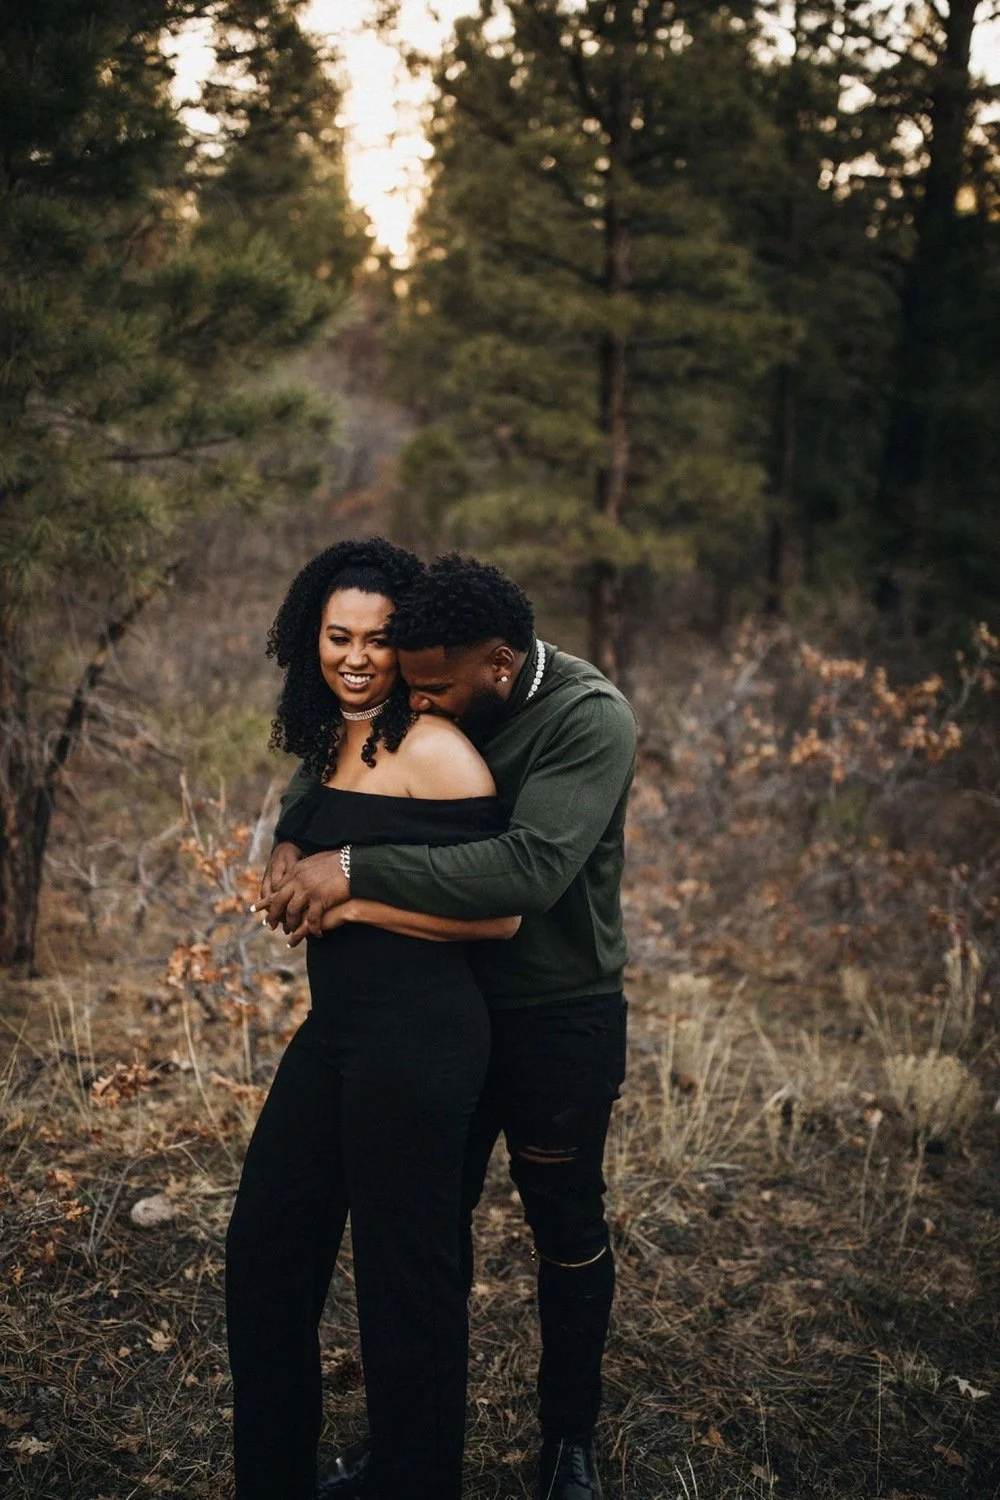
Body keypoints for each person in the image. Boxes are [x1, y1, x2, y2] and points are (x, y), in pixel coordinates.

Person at [260, 553, 638, 1500]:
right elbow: (337, 764)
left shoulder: (588, 720)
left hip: (558, 1012)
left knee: (565, 1222)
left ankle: (567, 1440)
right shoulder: (436, 689)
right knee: (427, 1237)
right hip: (447, 1005)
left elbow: (527, 873)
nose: (416, 701)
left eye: (433, 686)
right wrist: (294, 839)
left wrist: (348, 873)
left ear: (499, 665)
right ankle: (409, 1448)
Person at [226, 537, 521, 1500]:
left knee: (406, 1283)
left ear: (409, 647)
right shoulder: (333, 740)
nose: (354, 656)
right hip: (338, 1033)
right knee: (266, 1250)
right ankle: (275, 1477)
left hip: (422, 1041)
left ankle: (415, 1480)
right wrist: (287, 854)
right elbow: (313, 821)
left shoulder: (439, 753)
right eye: (336, 635)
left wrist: (349, 900)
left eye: (378, 639)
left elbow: (500, 909)